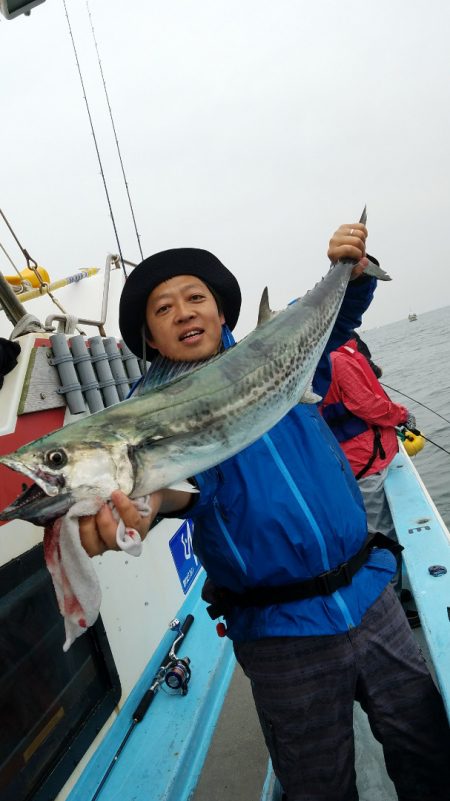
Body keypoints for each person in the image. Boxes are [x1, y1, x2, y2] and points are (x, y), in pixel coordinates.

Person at [79, 223, 450, 801]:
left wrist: (352, 262)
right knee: (318, 784)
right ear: (149, 338)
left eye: (195, 296)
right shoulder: (146, 417)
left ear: (222, 311)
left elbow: (338, 309)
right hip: (282, 638)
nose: (183, 312)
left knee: (428, 748)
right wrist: (136, 513)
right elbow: (167, 493)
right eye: (163, 308)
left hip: (372, 597)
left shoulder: (284, 350)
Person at [319, 330, 419, 617]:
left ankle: (390, 592)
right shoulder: (339, 359)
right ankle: (391, 606)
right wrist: (401, 415)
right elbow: (367, 405)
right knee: (380, 537)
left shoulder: (326, 360)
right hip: (365, 463)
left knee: (371, 534)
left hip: (352, 464)